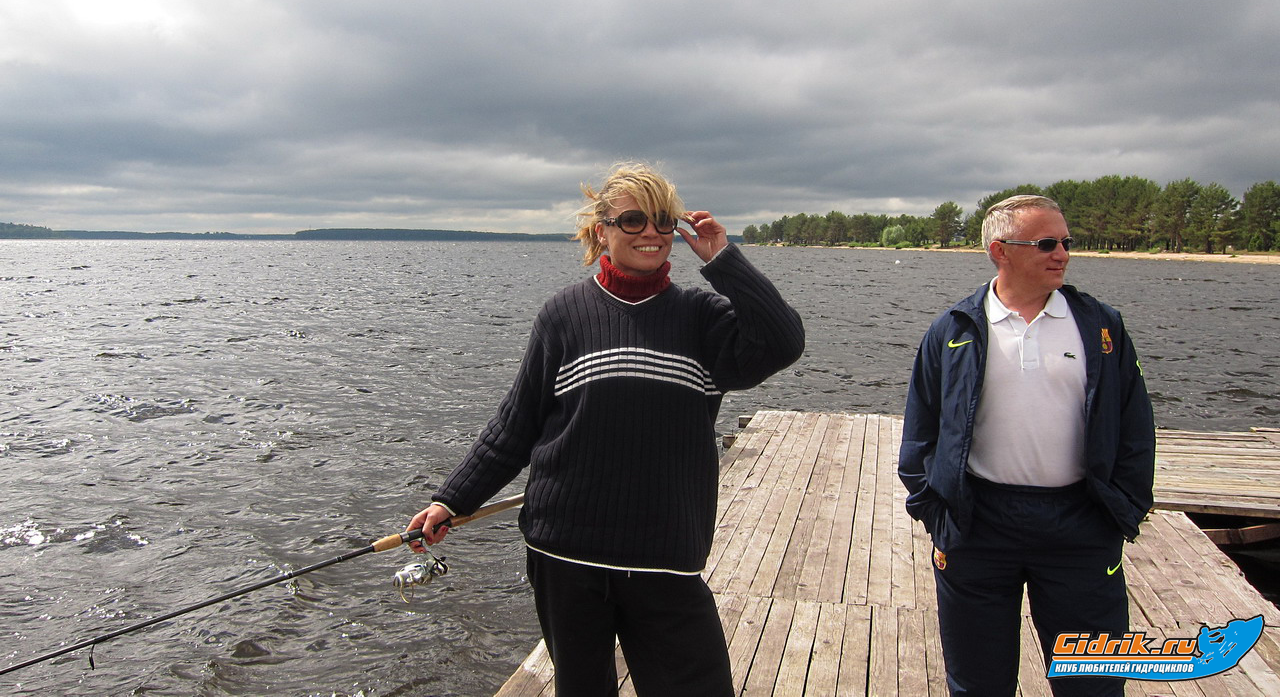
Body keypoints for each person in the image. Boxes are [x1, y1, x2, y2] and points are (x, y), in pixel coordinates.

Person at [406, 162, 804, 697]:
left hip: (666, 558)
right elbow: (516, 425)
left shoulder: (703, 318)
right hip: (565, 554)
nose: (650, 232)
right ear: (602, 232)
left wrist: (723, 260)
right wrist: (451, 500)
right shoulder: (563, 315)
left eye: (663, 221)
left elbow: (783, 342)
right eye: (633, 220)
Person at [898, 195, 1155, 697]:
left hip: (1080, 524)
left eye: (1066, 242)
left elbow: (1135, 425)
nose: (1062, 253)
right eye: (1046, 243)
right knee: (977, 683)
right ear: (1000, 251)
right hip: (977, 526)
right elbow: (920, 430)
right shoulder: (954, 329)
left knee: (1093, 686)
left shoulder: (1100, 326)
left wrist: (1122, 508)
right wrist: (935, 510)